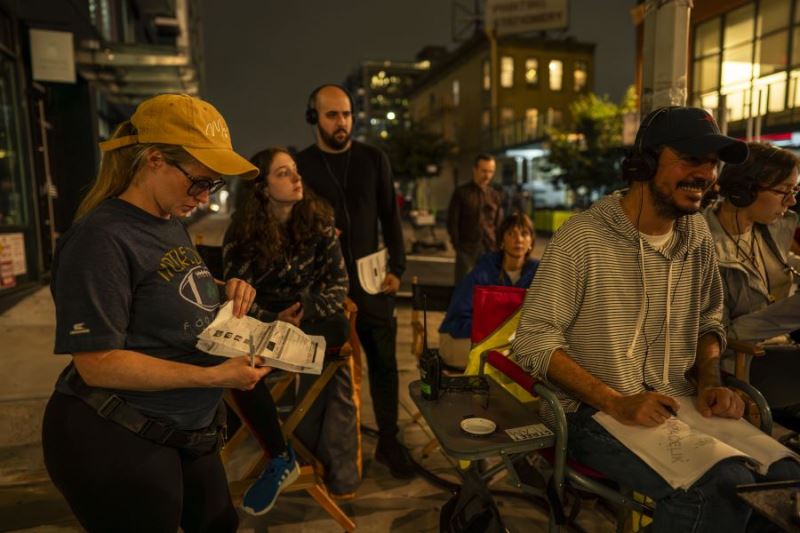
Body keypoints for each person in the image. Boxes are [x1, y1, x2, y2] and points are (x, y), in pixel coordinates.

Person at [512, 106, 800, 531]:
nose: (705, 173)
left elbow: (709, 319)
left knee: (784, 480)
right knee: (720, 487)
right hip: (591, 413)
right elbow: (532, 342)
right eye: (691, 159)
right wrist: (616, 401)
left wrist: (709, 380)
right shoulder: (583, 237)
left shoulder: (696, 235)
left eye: (711, 163)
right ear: (644, 162)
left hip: (677, 399)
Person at [42, 94, 269, 532]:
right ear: (155, 160)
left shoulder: (167, 220)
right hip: (115, 434)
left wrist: (222, 290)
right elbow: (97, 363)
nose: (203, 198)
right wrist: (215, 377)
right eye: (198, 182)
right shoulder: (100, 239)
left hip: (183, 429)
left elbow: (162, 289)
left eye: (213, 186)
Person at [223, 147, 358, 505]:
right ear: (263, 188)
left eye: (295, 170)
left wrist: (306, 309)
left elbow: (339, 284)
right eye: (283, 173)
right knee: (236, 367)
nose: (297, 178)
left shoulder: (320, 220)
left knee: (339, 329)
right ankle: (281, 457)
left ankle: (319, 454)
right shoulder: (243, 232)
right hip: (265, 323)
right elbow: (236, 295)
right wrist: (272, 318)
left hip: (310, 320)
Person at [294, 84, 412, 479]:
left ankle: (390, 441)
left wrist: (399, 265)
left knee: (384, 363)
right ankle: (324, 447)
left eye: (346, 114)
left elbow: (389, 217)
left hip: (373, 278)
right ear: (314, 118)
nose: (341, 122)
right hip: (323, 282)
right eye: (332, 115)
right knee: (326, 367)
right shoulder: (301, 165)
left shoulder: (373, 158)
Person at [703, 142, 800, 431]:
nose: (791, 202)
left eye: (794, 192)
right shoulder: (702, 243)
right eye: (785, 191)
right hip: (743, 366)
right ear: (746, 189)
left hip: (782, 357)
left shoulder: (769, 231)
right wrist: (786, 315)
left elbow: (781, 266)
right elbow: (716, 334)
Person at [438, 212, 539, 368]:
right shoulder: (483, 271)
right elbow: (457, 320)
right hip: (460, 338)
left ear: (531, 241)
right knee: (509, 360)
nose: (518, 240)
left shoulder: (540, 274)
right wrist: (499, 330)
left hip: (507, 342)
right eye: (511, 234)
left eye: (524, 234)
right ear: (501, 241)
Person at [447, 154, 503, 283]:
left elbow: (498, 223)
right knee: (464, 286)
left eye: (491, 172)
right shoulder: (461, 192)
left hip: (490, 248)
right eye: (484, 171)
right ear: (475, 169)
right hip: (467, 249)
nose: (487, 175)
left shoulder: (494, 195)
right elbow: (452, 221)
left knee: (488, 287)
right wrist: (457, 244)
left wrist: (498, 245)